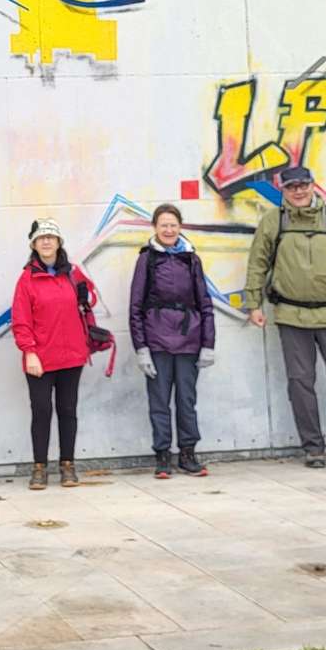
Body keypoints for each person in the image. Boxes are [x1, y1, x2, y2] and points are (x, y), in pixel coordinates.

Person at [243, 165, 326, 468]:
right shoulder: (273, 221)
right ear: (283, 190)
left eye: (304, 185)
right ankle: (313, 448)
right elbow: (257, 264)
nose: (299, 191)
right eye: (292, 187)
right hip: (292, 316)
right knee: (300, 383)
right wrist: (253, 304)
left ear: (313, 186)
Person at [129, 204, 215, 479]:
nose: (168, 230)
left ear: (180, 227)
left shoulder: (192, 259)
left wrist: (208, 344)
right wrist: (141, 348)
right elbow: (135, 306)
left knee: (187, 400)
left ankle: (188, 453)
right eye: (163, 225)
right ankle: (163, 454)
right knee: (159, 402)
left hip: (189, 340)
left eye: (173, 225)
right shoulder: (147, 259)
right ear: (155, 227)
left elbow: (205, 303)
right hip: (157, 341)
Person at [11, 219, 95, 491]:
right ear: (34, 245)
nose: (46, 242)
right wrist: (29, 352)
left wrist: (87, 295)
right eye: (41, 238)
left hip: (72, 355)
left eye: (51, 237)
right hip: (40, 358)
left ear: (59, 243)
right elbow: (21, 320)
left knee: (68, 410)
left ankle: (67, 465)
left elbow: (88, 304)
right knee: (42, 411)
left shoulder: (73, 274)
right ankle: (39, 467)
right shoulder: (27, 279)